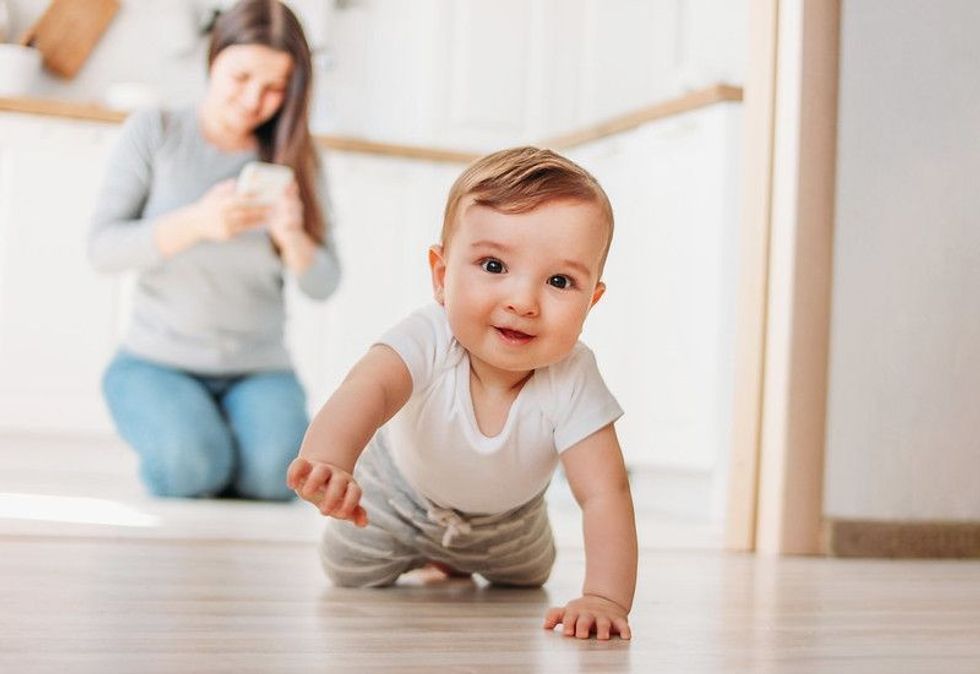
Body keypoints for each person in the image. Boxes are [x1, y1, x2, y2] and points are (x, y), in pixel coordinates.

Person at [288, 147, 637, 640]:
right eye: (493, 266)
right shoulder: (428, 336)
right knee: (348, 571)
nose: (522, 301)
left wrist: (605, 597)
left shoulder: (573, 373)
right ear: (441, 275)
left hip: (511, 522)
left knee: (527, 578)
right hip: (396, 498)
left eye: (560, 281)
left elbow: (605, 492)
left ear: (591, 301)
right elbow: (368, 388)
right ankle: (422, 551)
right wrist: (330, 458)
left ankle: (459, 558)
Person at [88, 0, 339, 501]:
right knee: (191, 469)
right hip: (156, 361)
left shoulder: (297, 156)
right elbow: (103, 249)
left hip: (258, 368)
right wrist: (196, 223)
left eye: (273, 88)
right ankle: (196, 442)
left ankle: (219, 442)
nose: (253, 100)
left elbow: (323, 283)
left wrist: (292, 236)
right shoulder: (155, 131)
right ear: (213, 58)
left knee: (276, 481)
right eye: (241, 77)